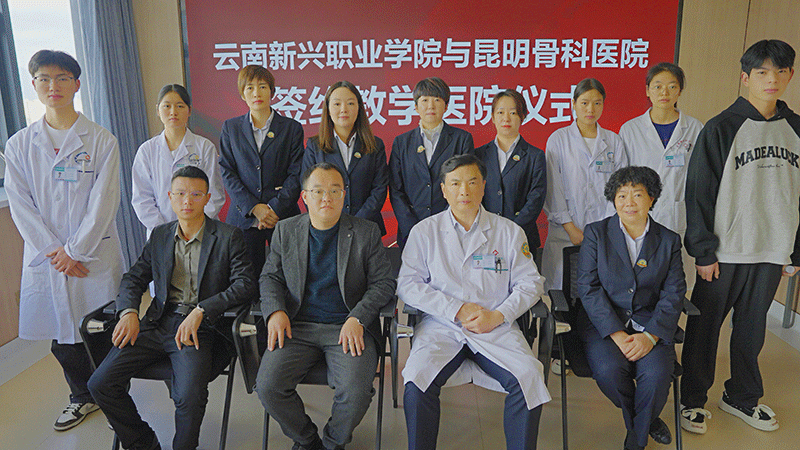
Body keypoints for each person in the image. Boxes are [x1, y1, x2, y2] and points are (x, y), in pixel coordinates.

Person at [88, 166, 256, 450]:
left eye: (195, 194)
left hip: (200, 328)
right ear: (170, 197)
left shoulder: (229, 236)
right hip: (158, 322)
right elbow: (134, 277)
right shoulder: (160, 235)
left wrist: (202, 310)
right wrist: (128, 312)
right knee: (99, 384)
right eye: (180, 194)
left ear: (208, 198)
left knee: (188, 396)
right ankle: (143, 444)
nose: (187, 201)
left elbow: (245, 284)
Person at [680, 39, 800, 435]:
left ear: (790, 75)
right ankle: (692, 398)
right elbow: (699, 192)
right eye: (762, 72)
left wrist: (795, 250)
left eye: (779, 71)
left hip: (772, 249)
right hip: (726, 250)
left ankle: (742, 396)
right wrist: (703, 251)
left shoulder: (797, 129)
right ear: (746, 78)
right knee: (706, 328)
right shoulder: (721, 127)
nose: (771, 79)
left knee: (752, 329)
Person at [4, 50, 124, 431]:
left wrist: (75, 251)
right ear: (34, 85)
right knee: (61, 335)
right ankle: (82, 397)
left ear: (76, 84)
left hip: (92, 255)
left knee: (102, 330)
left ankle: (115, 401)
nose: (52, 86)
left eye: (61, 78)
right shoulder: (19, 145)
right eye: (44, 79)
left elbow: (104, 202)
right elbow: (21, 206)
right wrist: (57, 253)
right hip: (49, 260)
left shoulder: (101, 140)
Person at [398, 154, 550, 450]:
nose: (464, 191)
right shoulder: (424, 232)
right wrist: (455, 309)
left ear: (484, 186)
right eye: (455, 184)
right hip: (442, 326)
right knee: (417, 382)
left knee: (529, 378)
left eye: (471, 182)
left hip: (496, 327)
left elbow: (531, 282)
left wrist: (499, 315)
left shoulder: (508, 231)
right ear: (443, 190)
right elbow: (408, 284)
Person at [256, 162, 396, 450]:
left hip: (347, 327)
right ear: (304, 197)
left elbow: (384, 283)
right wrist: (275, 311)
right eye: (317, 191)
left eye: (334, 191)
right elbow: (270, 277)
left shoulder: (366, 232)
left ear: (344, 195)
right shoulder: (286, 230)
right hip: (297, 326)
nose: (326, 198)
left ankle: (333, 443)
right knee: (268, 387)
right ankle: (308, 441)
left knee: (356, 392)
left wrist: (358, 317)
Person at [577, 166, 686, 450]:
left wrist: (650, 336)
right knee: (609, 371)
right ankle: (646, 422)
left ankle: (635, 441)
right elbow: (588, 287)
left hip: (651, 323)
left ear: (652, 199)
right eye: (622, 195)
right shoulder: (596, 233)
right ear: (613, 200)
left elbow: (674, 292)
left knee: (657, 376)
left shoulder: (669, 240)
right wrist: (616, 333)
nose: (629, 202)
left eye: (637, 195)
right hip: (604, 325)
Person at [619, 63, 702, 289]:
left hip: (679, 216)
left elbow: (700, 178)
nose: (664, 92)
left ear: (680, 91)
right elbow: (622, 179)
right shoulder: (630, 129)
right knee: (640, 283)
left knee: (675, 283)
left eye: (671, 86)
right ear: (647, 90)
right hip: (639, 216)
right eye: (657, 86)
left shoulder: (695, 128)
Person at [542, 78, 628, 291]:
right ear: (573, 104)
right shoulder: (558, 139)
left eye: (597, 103)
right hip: (565, 233)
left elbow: (621, 188)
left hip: (604, 232)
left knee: (598, 293)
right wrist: (570, 228)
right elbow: (552, 188)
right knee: (563, 293)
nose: (591, 109)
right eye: (584, 103)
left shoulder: (614, 141)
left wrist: (604, 228)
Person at [219, 64, 304, 276]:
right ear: (242, 94)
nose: (256, 93)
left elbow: (297, 173)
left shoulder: (291, 128)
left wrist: (274, 208)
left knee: (287, 277)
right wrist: (254, 207)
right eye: (250, 88)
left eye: (262, 86)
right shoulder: (231, 128)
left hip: (282, 216)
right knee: (245, 279)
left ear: (272, 91)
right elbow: (227, 171)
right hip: (244, 219)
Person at [389, 76, 474, 248]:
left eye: (437, 100)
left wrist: (445, 224)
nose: (431, 106)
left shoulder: (462, 139)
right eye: (425, 100)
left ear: (446, 106)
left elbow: (465, 185)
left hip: (451, 229)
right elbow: (396, 189)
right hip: (410, 231)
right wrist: (412, 228)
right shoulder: (402, 142)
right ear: (415, 106)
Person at [132, 84, 225, 235]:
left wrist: (192, 227)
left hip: (201, 232)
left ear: (189, 110)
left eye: (180, 106)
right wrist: (165, 231)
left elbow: (214, 194)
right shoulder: (146, 151)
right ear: (158, 110)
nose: (173, 112)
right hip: (161, 233)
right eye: (167, 106)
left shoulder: (204, 147)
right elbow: (141, 199)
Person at [303, 81, 389, 235]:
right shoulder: (315, 146)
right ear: (328, 109)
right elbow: (309, 189)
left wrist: (357, 222)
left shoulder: (375, 145)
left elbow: (379, 188)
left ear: (359, 108)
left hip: (366, 228)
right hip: (327, 228)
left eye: (350, 103)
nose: (344, 109)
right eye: (337, 104)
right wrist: (330, 221)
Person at [476, 89, 547, 249]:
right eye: (500, 112)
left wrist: (512, 231)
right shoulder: (479, 155)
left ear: (522, 117)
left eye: (513, 113)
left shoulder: (535, 156)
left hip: (522, 236)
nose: (506, 118)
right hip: (484, 236)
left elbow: (536, 198)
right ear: (493, 117)